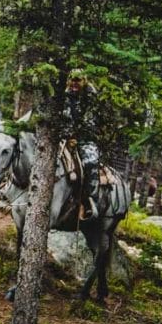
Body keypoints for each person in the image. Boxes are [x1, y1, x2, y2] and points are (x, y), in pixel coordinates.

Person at [62, 69, 101, 219]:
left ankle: (90, 200)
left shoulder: (90, 96)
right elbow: (63, 116)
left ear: (84, 81)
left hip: (85, 138)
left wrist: (77, 136)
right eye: (72, 80)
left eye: (78, 80)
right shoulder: (64, 95)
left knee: (90, 163)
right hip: (64, 137)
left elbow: (90, 120)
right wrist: (67, 134)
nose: (75, 83)